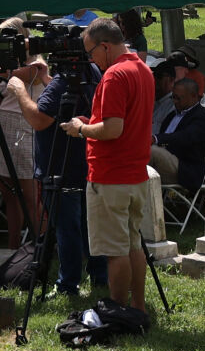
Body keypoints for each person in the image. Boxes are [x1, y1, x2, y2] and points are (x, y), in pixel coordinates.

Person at [61, 18, 154, 314]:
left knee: (115, 252)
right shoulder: (142, 68)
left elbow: (113, 129)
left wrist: (81, 129)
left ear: (105, 45)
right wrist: (92, 123)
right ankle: (137, 307)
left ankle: (117, 310)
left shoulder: (114, 75)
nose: (92, 60)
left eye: (91, 53)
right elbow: (124, 122)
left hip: (111, 176)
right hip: (136, 174)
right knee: (132, 245)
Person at [11, 57, 108, 295]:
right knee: (89, 226)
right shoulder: (91, 70)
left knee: (67, 228)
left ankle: (68, 284)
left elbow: (39, 119)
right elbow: (66, 102)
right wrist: (46, 78)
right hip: (85, 163)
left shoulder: (63, 81)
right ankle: (100, 278)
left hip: (59, 165)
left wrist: (19, 90)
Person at [0, 53, 46, 246]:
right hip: (5, 127)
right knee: (9, 193)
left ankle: (43, 248)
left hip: (23, 128)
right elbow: (3, 99)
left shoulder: (36, 63)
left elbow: (27, 75)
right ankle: (13, 247)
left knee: (30, 196)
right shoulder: (11, 63)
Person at [149, 76, 205, 189]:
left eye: (178, 98)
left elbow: (186, 137)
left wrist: (156, 139)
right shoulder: (173, 115)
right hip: (166, 159)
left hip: (184, 168)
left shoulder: (202, 116)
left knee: (151, 152)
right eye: (173, 97)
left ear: (193, 96)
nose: (174, 101)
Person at [149, 61, 177, 135]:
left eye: (159, 76)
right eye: (153, 75)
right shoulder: (151, 101)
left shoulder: (174, 105)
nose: (154, 79)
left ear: (171, 80)